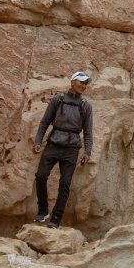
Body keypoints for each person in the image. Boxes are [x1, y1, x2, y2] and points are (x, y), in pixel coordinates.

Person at [32, 71, 94, 228]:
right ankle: (43, 210)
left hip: (72, 149)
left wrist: (87, 151)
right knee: (40, 176)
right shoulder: (57, 100)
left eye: (86, 83)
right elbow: (44, 122)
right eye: (81, 81)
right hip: (53, 144)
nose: (83, 85)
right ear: (72, 81)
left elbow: (88, 132)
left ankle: (55, 219)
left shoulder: (85, 106)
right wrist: (38, 141)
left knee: (65, 184)